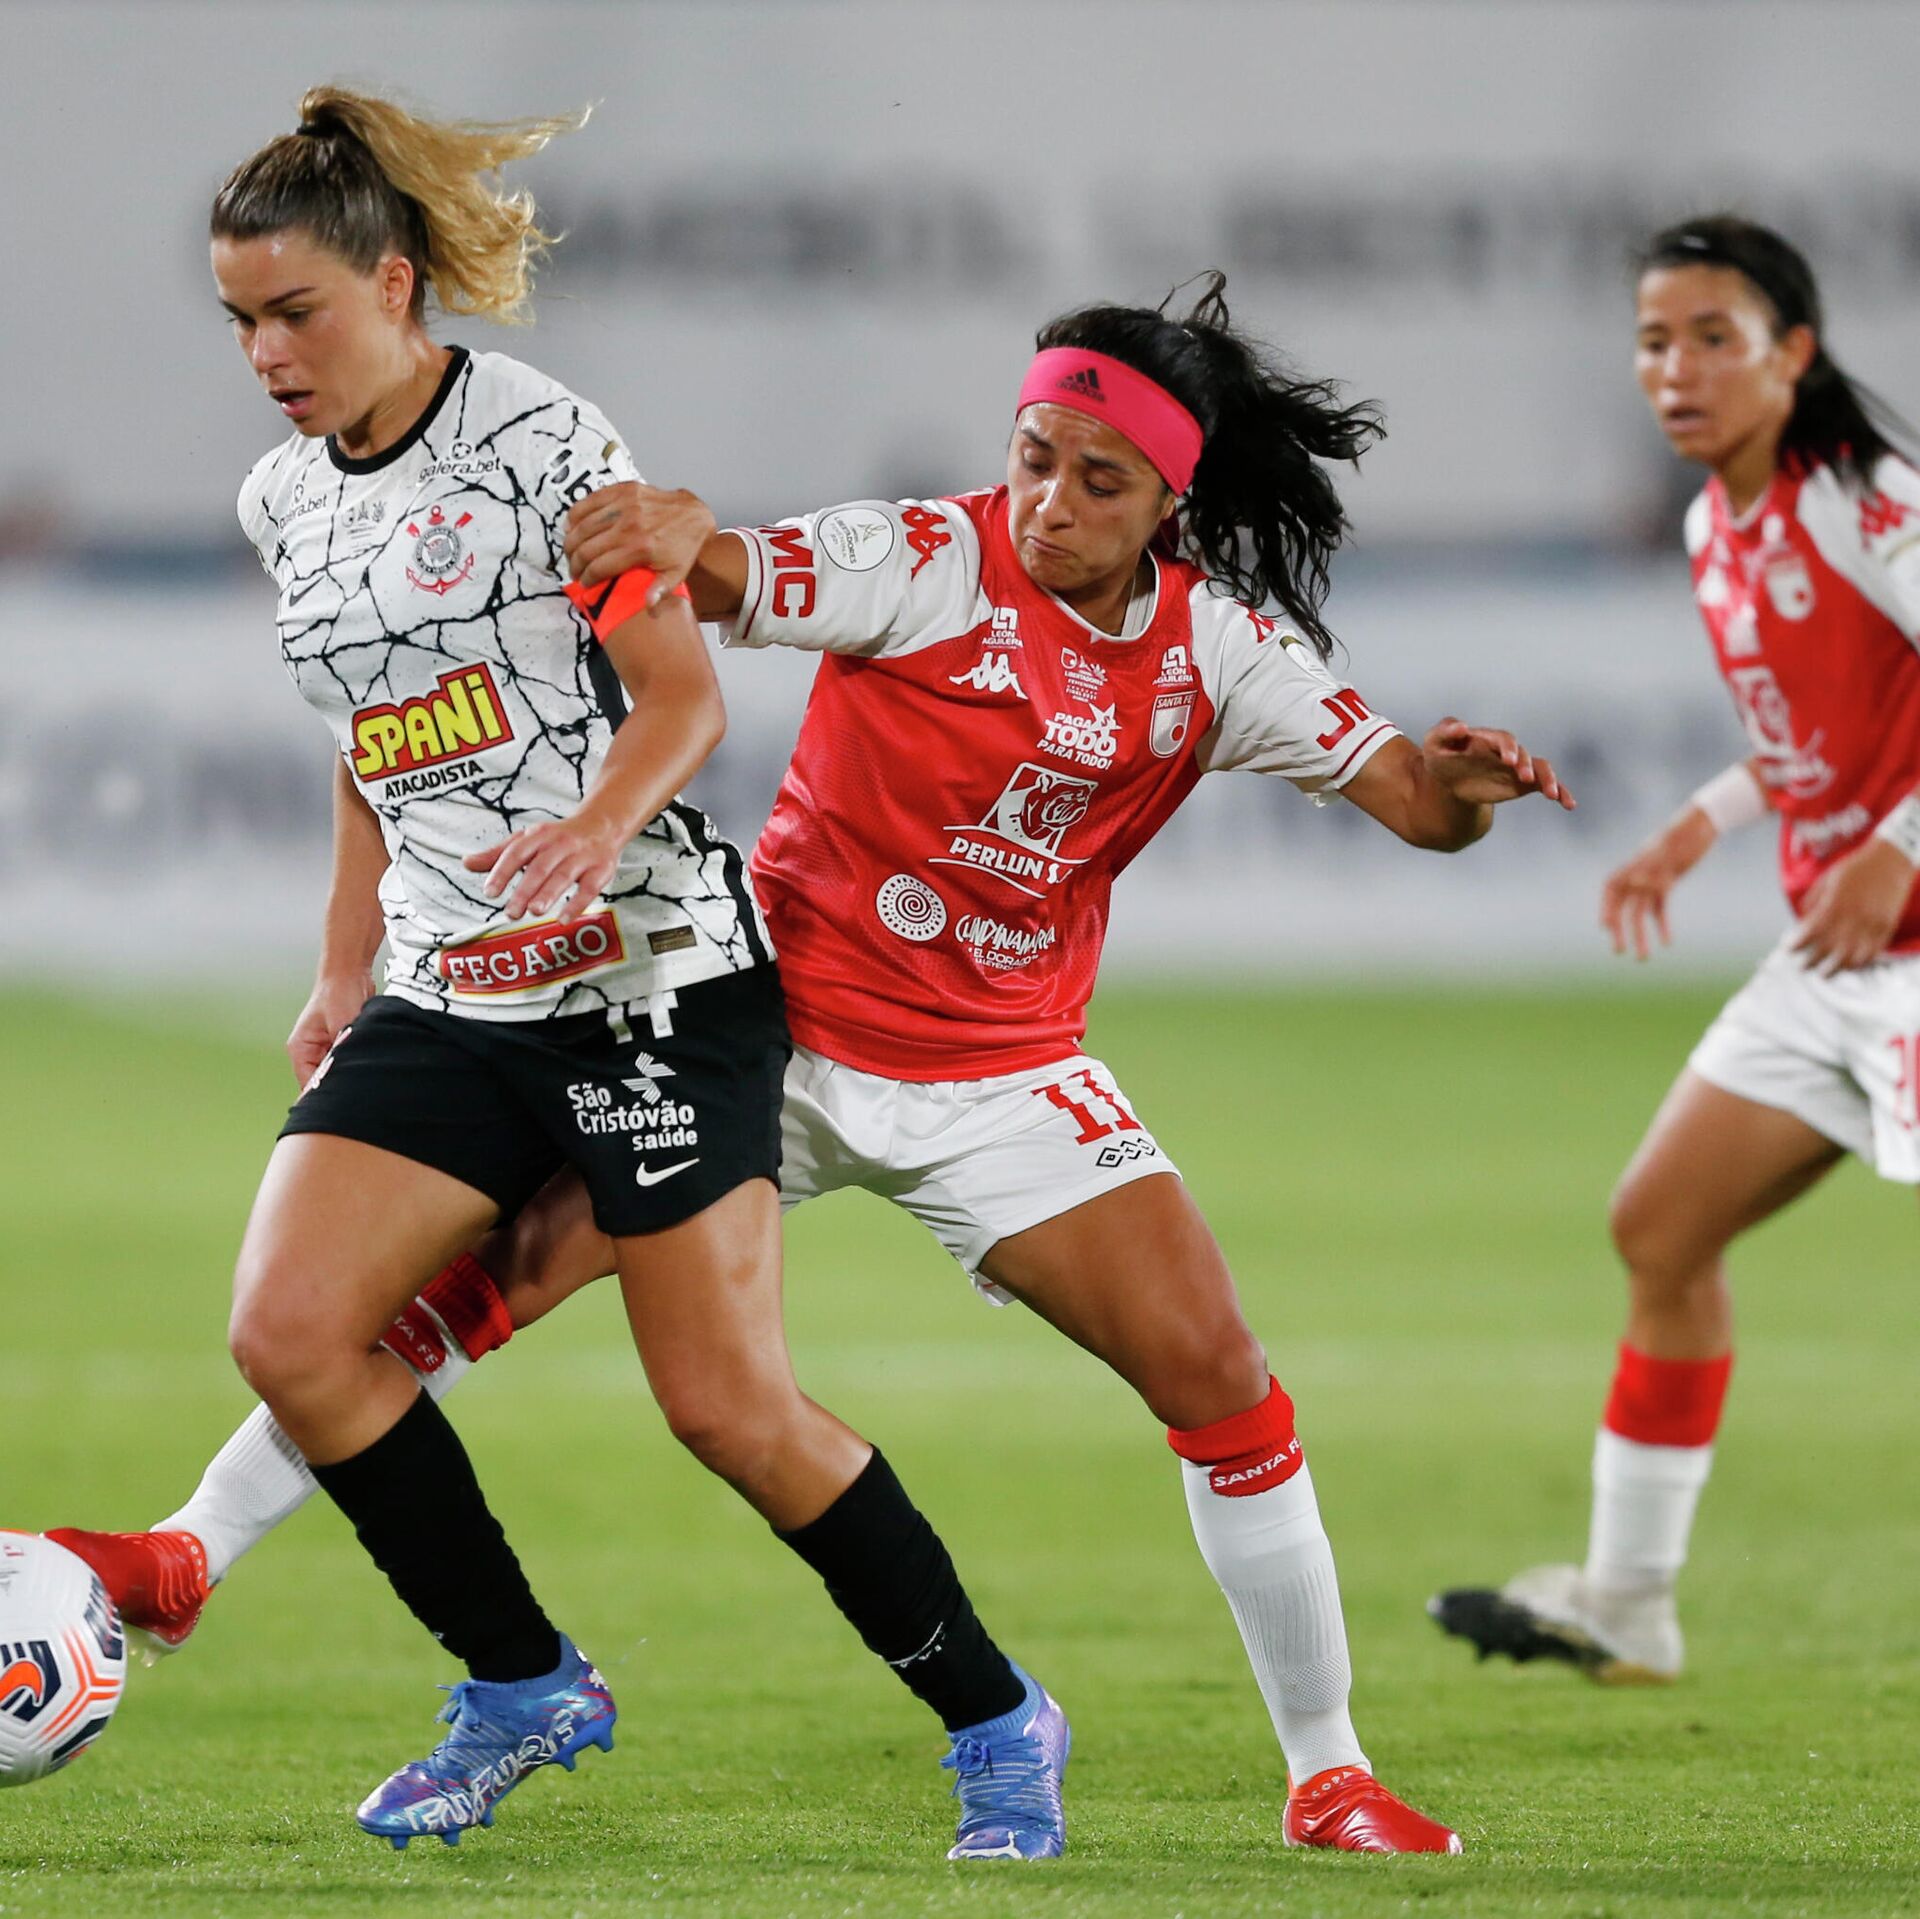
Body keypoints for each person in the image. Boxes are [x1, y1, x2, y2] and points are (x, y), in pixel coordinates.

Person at [60, 272, 1575, 1854]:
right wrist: (677, 531)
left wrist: (1460, 792)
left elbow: (1414, 802)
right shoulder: (924, 559)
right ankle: (190, 1552)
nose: (1050, 503)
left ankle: (1328, 1775)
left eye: (1099, 480)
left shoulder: (1217, 650)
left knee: (1224, 1382)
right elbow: (719, 574)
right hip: (766, 1039)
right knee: (465, 1293)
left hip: (1001, 1078)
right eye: (1034, 457)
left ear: (1168, 505)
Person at [66, 86, 1064, 1859]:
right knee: (292, 1334)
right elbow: (374, 744)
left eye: (294, 312)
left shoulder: (540, 442)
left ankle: (997, 1719)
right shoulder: (283, 498)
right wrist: (342, 965)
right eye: (239, 321)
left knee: (728, 1412)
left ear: (393, 284)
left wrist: (599, 825)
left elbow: (684, 700)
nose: (266, 354)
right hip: (452, 986)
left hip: (648, 977)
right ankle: (521, 1685)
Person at [1431, 215, 1920, 1684]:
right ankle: (1630, 1602)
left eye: (1716, 337)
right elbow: (1812, 732)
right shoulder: (1719, 527)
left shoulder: (1868, 500)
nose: (1678, 369)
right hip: (1837, 956)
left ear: (1794, 353)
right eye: (1656, 341)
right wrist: (1699, 825)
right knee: (1659, 1227)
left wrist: (1901, 845)